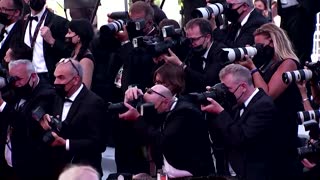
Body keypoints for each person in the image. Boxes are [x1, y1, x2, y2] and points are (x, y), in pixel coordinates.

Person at [238, 22, 304, 178]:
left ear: (273, 41)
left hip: (282, 130)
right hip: (266, 130)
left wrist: (252, 68)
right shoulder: (266, 64)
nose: (259, 49)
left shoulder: (289, 63)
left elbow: (267, 96)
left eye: (261, 45)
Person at [202, 64, 284, 179]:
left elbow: (241, 137)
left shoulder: (264, 105)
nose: (226, 93)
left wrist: (220, 112)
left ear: (243, 87)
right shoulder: (237, 104)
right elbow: (221, 138)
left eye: (228, 89)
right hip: (235, 172)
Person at [119, 84, 215, 177]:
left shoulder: (185, 112)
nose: (150, 111)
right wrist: (130, 102)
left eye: (152, 107)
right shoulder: (164, 109)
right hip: (167, 173)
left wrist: (137, 119)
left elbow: (163, 140)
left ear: (165, 102)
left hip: (192, 175)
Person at [39, 58, 107, 177]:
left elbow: (99, 144)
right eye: (55, 77)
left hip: (83, 172)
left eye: (61, 77)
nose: (56, 82)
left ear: (75, 79)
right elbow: (36, 108)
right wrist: (42, 117)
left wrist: (66, 143)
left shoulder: (94, 103)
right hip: (57, 170)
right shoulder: (57, 96)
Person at [0, 59, 56, 179]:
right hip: (10, 159)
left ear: (34, 76)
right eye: (13, 79)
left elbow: (27, 120)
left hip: (32, 164)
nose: (16, 83)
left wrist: (2, 104)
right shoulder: (17, 88)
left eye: (19, 79)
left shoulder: (46, 94)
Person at [163, 18, 227, 93]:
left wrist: (181, 65)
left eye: (194, 39)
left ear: (207, 37)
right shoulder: (194, 51)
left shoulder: (221, 51)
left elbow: (207, 80)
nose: (191, 43)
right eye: (189, 40)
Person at [22, 0, 71, 83]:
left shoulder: (60, 22)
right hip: (28, 76)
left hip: (49, 77)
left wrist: (52, 41)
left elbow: (70, 51)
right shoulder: (23, 22)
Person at [277, 0, 320, 66]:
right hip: (285, 11)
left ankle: (301, 70)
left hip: (300, 10)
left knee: (300, 48)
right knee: (285, 44)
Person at [65, 19, 94, 89]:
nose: (66, 35)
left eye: (69, 33)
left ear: (78, 37)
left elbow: (85, 88)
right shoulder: (74, 54)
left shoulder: (85, 60)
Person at [0, 0, 24, 65]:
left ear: (16, 12)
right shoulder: (3, 30)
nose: (0, 12)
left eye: (4, 9)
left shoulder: (22, 32)